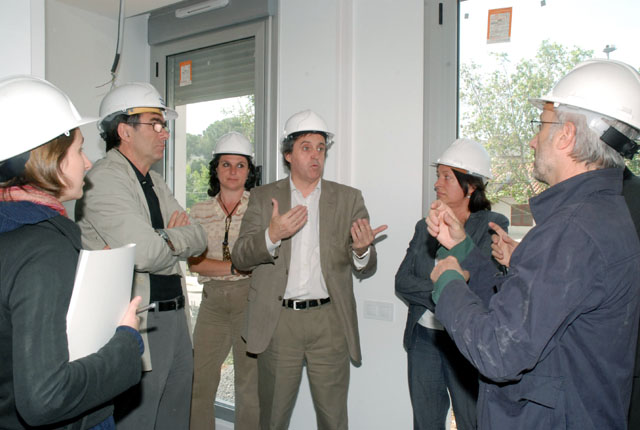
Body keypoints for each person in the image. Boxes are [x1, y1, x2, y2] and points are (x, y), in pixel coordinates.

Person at [427, 59, 640, 429]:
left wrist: (448, 283)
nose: (533, 140)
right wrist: (463, 250)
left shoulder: (571, 231)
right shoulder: (602, 213)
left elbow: (498, 351)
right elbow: (521, 311)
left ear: (566, 135)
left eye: (541, 126)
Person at [0, 75, 144, 429]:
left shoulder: (17, 233)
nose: (88, 162)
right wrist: (126, 342)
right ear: (49, 158)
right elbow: (45, 398)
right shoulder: (44, 248)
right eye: (79, 150)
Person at [232, 109, 387, 429]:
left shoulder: (348, 199)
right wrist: (271, 236)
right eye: (306, 147)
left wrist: (362, 251)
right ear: (288, 154)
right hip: (279, 323)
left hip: (329, 323)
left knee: (333, 418)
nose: (316, 155)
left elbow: (366, 266)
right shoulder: (263, 198)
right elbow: (240, 258)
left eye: (321, 148)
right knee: (273, 418)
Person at [75, 82, 207, 429]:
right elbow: (145, 253)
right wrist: (167, 238)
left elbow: (199, 237)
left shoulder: (155, 182)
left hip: (174, 318)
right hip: (138, 323)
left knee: (175, 420)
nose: (165, 133)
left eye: (164, 124)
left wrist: (162, 237)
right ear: (124, 131)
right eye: (155, 123)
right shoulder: (103, 180)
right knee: (139, 421)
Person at [395, 138, 508, 430]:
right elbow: (402, 282)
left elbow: (484, 286)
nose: (437, 184)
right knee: (425, 422)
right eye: (438, 176)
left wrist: (441, 287)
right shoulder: (424, 226)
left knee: (472, 421)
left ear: (470, 187)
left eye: (446, 177)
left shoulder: (492, 225)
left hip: (466, 340)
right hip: (424, 339)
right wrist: (445, 290)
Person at [189, 132, 260, 429]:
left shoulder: (260, 209)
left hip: (250, 302)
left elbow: (266, 259)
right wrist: (236, 267)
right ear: (215, 169)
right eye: (226, 164)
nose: (233, 171)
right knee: (199, 382)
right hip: (212, 304)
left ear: (249, 171)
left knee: (249, 387)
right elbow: (196, 263)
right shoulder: (199, 211)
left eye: (240, 165)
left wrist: (225, 268)